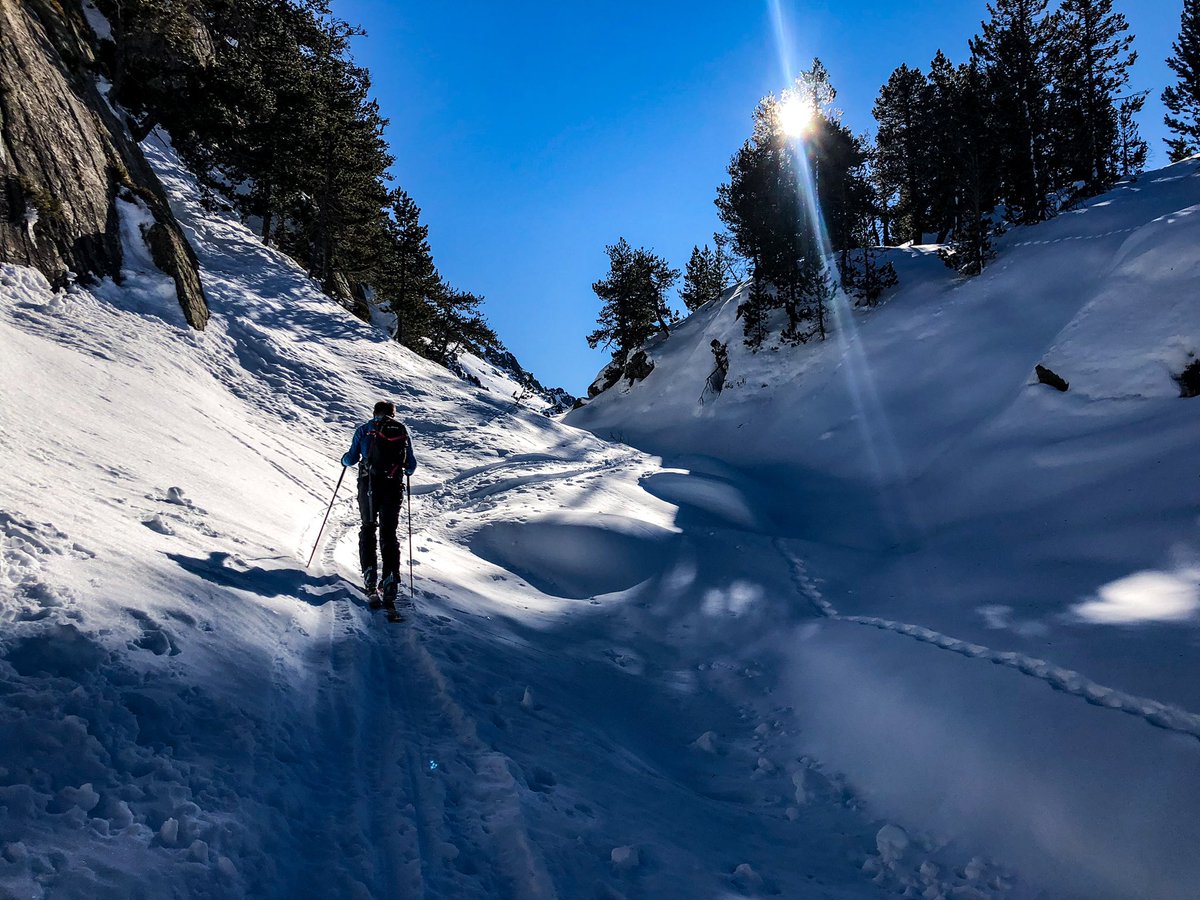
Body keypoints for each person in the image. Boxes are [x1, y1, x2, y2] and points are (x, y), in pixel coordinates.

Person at [341, 401, 417, 602]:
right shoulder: (401, 431)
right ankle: (390, 580)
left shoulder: (365, 430)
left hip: (369, 487)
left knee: (368, 528)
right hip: (392, 488)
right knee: (389, 534)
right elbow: (411, 466)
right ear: (393, 414)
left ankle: (369, 577)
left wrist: (343, 460)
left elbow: (351, 459)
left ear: (374, 412)